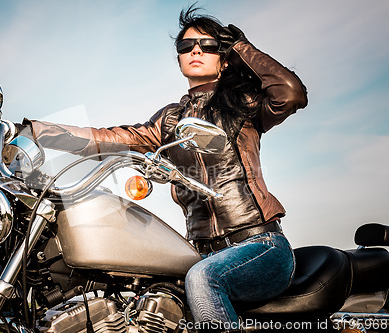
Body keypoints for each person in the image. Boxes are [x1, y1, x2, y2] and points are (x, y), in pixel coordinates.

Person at [21, 6, 307, 332]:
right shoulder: (170, 119)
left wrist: (240, 46)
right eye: (186, 46)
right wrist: (36, 131)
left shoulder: (243, 102)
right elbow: (110, 138)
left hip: (260, 246)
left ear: (224, 58)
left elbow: (290, 94)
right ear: (180, 60)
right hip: (198, 252)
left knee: (202, 278)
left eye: (208, 45)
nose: (195, 50)